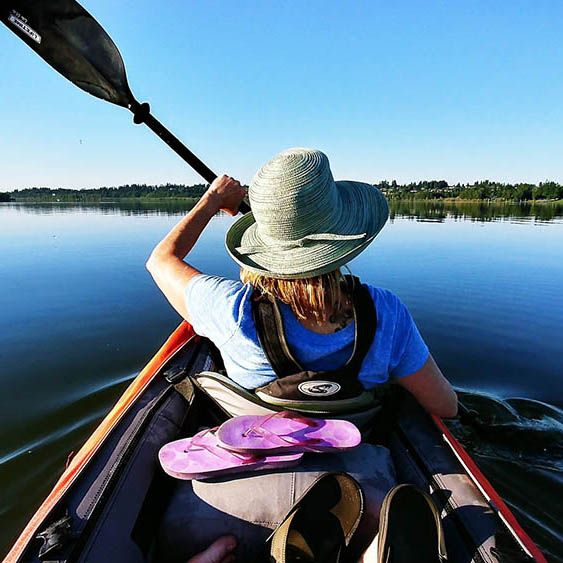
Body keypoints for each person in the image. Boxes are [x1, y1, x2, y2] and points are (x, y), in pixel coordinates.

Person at [146, 148, 457, 419]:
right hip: (359, 454)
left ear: (264, 245)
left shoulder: (230, 308)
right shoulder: (387, 312)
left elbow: (160, 260)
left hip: (262, 456)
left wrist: (212, 199)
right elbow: (445, 406)